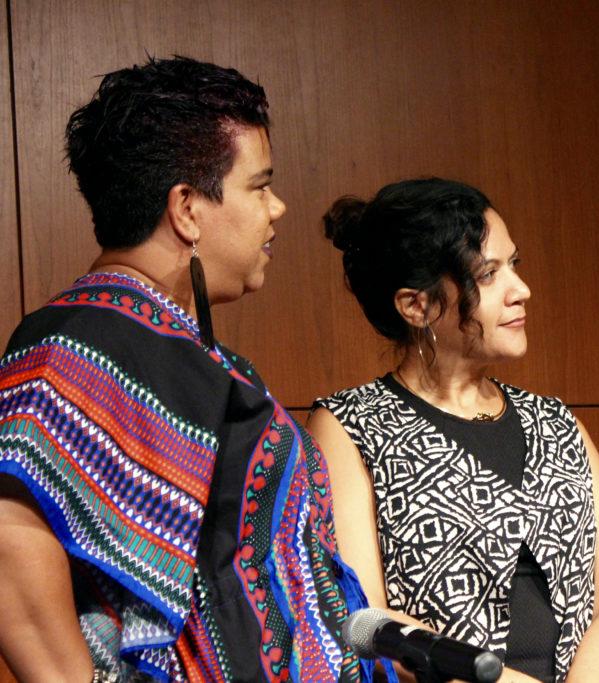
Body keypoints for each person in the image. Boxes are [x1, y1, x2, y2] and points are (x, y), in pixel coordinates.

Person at [0, 56, 380, 682]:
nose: (278, 208)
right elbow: (13, 535)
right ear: (186, 208)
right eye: (259, 186)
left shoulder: (187, 350)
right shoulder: (80, 341)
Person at [307, 178, 599, 682]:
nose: (521, 290)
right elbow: (364, 617)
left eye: (515, 264)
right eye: (489, 275)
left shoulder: (555, 422)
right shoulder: (349, 427)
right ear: (416, 306)